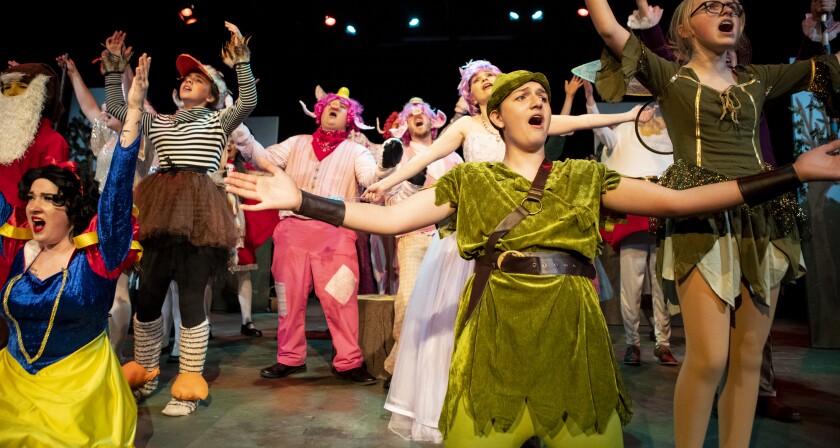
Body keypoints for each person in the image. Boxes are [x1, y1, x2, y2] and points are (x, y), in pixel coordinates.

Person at [224, 69, 840, 447]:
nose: (538, 100)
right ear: (494, 115)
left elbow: (681, 201)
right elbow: (386, 218)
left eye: (543, 95)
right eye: (523, 95)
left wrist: (793, 172)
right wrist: (302, 197)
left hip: (574, 345)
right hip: (493, 342)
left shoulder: (581, 176)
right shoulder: (467, 183)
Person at [545, 0, 840, 447]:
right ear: (685, 25)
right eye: (711, 6)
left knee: (749, 359)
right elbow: (611, 29)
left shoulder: (758, 79)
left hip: (765, 215)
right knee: (709, 357)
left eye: (733, 7)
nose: (726, 12)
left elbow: (825, 66)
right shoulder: (672, 77)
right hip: (701, 213)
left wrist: (823, 23)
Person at [364, 59, 639, 443]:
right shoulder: (466, 127)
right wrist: (388, 182)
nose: (488, 82)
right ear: (476, 98)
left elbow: (576, 123)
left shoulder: (533, 123)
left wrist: (627, 115)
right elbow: (426, 159)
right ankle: (475, 403)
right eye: (479, 80)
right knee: (465, 328)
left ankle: (538, 403)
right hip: (482, 233)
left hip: (534, 225)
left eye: (493, 76)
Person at [0, 53, 150, 447]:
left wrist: (133, 115)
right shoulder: (21, 252)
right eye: (31, 197)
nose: (35, 206)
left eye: (49, 199)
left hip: (76, 397)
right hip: (10, 388)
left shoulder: (95, 258)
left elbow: (116, 191)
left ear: (72, 211)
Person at [108, 24, 257, 417]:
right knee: (148, 298)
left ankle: (189, 382)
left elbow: (247, 104)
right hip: (161, 209)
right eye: (186, 79)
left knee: (191, 298)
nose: (189, 82)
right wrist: (112, 71)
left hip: (198, 213)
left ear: (212, 94)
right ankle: (148, 371)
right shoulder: (162, 122)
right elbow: (123, 112)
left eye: (198, 79)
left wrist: (241, 62)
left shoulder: (218, 120)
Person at [231, 86, 401, 385]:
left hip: (335, 233)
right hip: (292, 232)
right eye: (330, 104)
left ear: (351, 118)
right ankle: (289, 357)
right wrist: (240, 131)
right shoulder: (296, 143)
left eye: (342, 106)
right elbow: (263, 160)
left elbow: (369, 178)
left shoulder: (356, 151)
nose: (335, 107)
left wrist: (385, 166)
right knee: (289, 298)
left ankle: (348, 361)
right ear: (319, 111)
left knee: (340, 298)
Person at [58, 53, 158, 362]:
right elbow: (89, 106)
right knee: (99, 285)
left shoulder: (140, 135)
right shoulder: (105, 137)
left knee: (119, 288)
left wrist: (122, 68)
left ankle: (114, 354)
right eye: (104, 108)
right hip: (98, 217)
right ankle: (96, 348)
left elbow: (133, 94)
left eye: (110, 107)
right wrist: (74, 71)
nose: (104, 110)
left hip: (127, 217)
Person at [583, 80, 677, 366]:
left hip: (663, 204)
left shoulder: (670, 133)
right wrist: (589, 98)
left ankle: (663, 343)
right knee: (632, 283)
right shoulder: (621, 130)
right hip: (633, 207)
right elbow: (599, 128)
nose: (652, 109)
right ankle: (632, 343)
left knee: (662, 281)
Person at [381, 97, 462, 385]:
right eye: (411, 114)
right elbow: (390, 199)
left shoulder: (453, 157)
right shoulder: (400, 156)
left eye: (422, 113)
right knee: (407, 299)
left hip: (449, 237)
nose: (417, 116)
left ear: (432, 121)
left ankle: (442, 367)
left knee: (449, 302)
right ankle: (399, 366)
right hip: (414, 235)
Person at [0, 62, 69, 287]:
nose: (9, 95)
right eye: (5, 88)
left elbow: (53, 202)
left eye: (17, 87)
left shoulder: (52, 142)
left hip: (21, 239)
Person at [223, 136, 278, 337]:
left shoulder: (244, 169)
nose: (229, 145)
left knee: (243, 271)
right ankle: (206, 323)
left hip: (238, 225)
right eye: (225, 141)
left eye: (232, 142)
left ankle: (247, 321)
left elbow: (268, 179)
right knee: (207, 276)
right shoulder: (208, 167)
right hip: (212, 224)